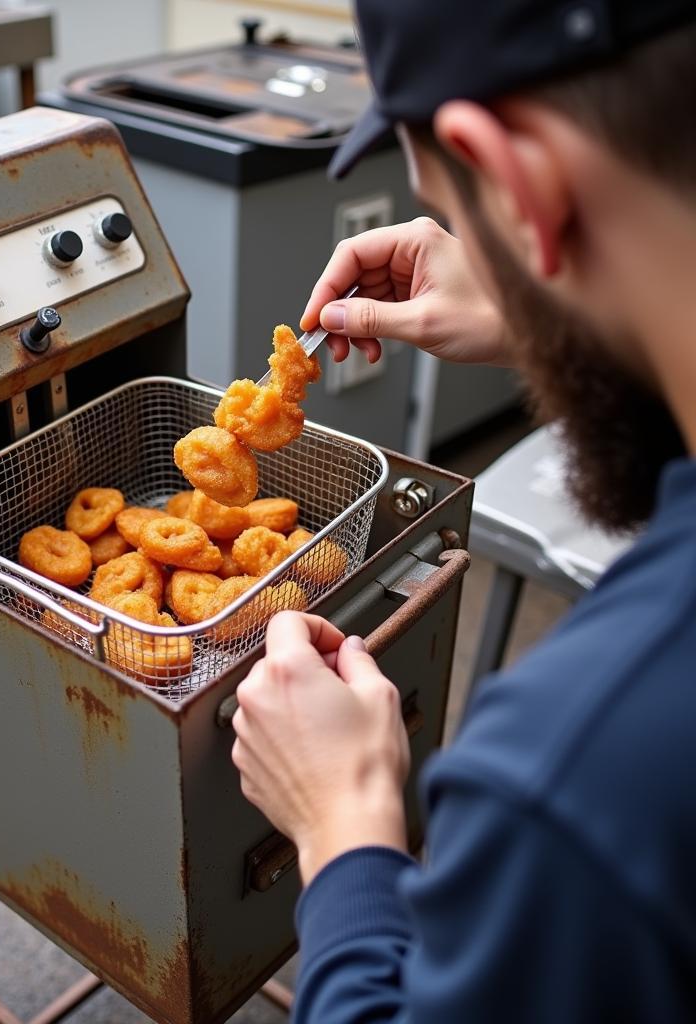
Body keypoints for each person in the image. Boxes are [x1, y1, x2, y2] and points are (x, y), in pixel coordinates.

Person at [230, 1, 696, 1020]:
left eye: (448, 198)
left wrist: (344, 831)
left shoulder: (572, 780)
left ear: (520, 184)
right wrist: (542, 300)